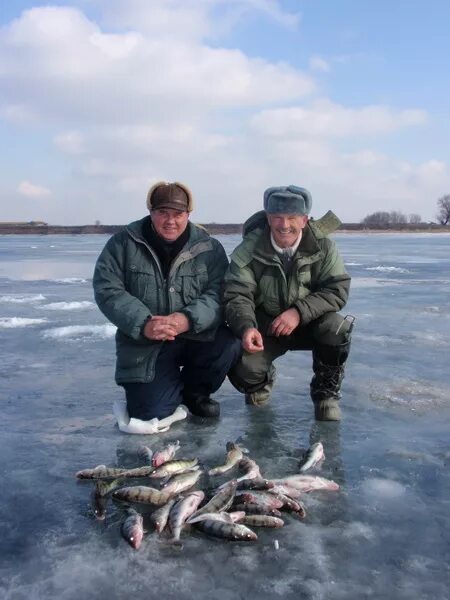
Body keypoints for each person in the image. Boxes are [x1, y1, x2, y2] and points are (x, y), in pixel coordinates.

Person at [93, 181, 241, 421]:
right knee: (152, 415)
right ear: (151, 212)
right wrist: (144, 323)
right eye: (163, 213)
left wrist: (187, 319)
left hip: (195, 336)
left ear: (188, 214)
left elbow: (220, 293)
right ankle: (164, 394)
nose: (170, 221)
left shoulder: (209, 248)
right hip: (146, 343)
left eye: (178, 214)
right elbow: (107, 289)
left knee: (229, 342)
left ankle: (195, 393)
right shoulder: (123, 244)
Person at [223, 185, 353, 421]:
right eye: (277, 218)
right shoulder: (248, 250)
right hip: (267, 325)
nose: (284, 225)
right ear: (268, 219)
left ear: (304, 220)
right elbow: (237, 294)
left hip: (311, 322)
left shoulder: (324, 247)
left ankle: (326, 394)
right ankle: (260, 383)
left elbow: (337, 290)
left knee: (337, 329)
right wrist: (246, 326)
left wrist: (298, 312)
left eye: (292, 218)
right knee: (243, 364)